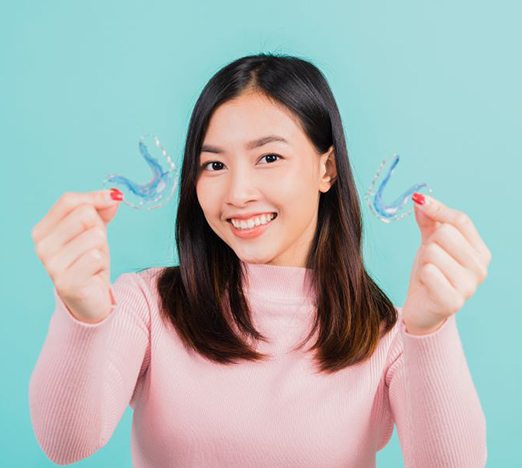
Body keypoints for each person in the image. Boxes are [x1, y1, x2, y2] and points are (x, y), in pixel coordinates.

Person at [29, 53, 491, 467]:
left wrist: (430, 330)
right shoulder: (147, 305)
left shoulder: (387, 335)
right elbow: (67, 445)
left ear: (326, 169)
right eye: (214, 165)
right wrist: (81, 315)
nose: (238, 193)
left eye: (269, 157)